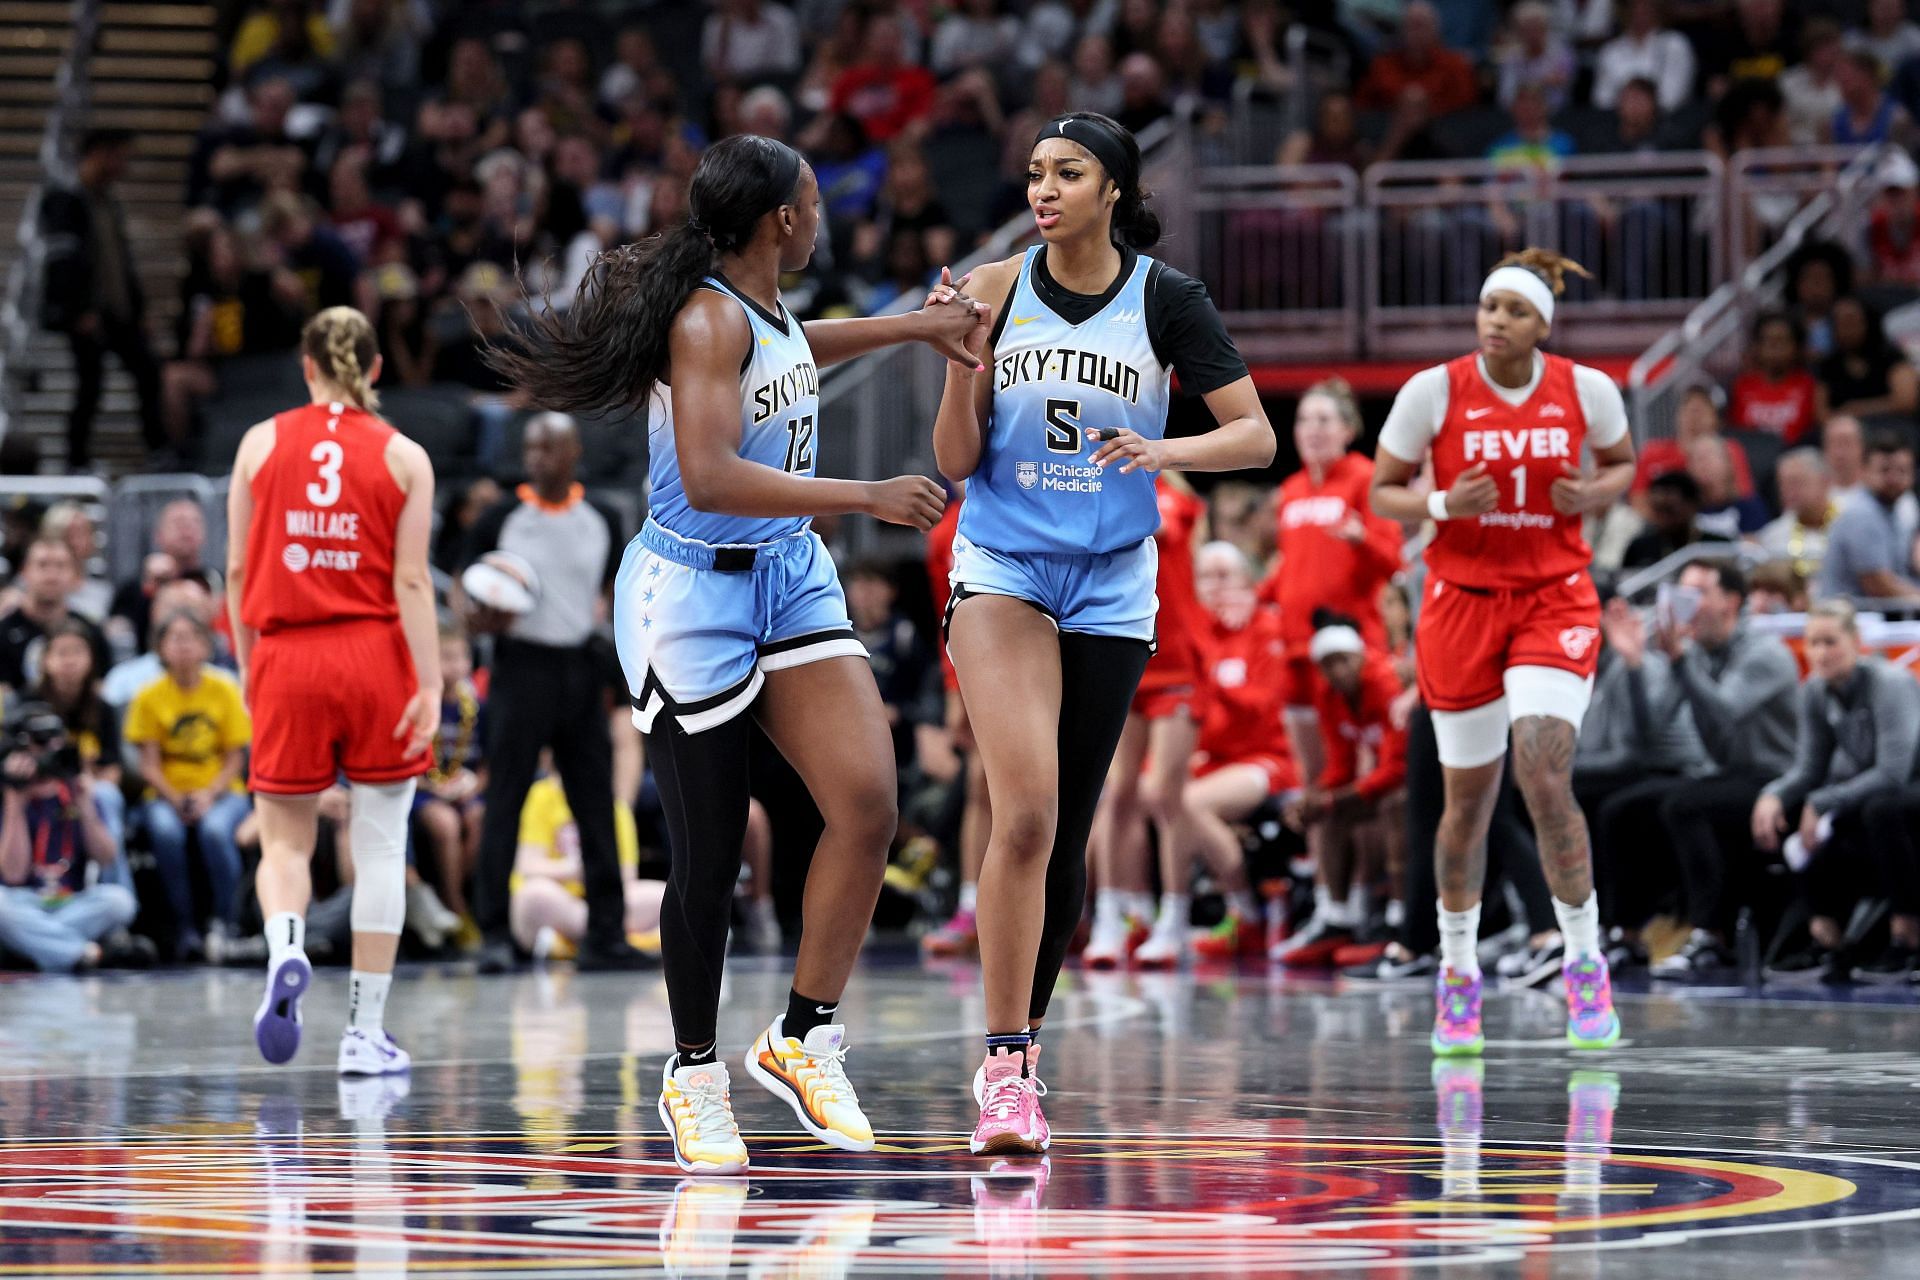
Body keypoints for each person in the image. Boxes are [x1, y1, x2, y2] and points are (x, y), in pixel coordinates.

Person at [493, 134, 983, 1175]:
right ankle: (695, 1071)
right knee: (710, 857)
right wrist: (865, 495)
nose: (823, 214)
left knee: (866, 803)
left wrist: (919, 329)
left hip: (786, 574)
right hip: (692, 591)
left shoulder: (764, 309)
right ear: (784, 221)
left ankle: (802, 1032)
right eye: (814, 199)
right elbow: (711, 476)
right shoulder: (708, 317)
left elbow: (806, 347)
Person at [932, 111, 1273, 1152]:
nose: (1044, 189)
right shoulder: (991, 286)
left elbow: (1253, 434)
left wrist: (1164, 452)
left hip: (1115, 581)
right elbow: (954, 456)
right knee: (1023, 810)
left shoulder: (1165, 298)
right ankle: (1000, 1065)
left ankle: (1027, 1050)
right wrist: (960, 358)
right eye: (1035, 173)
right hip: (1005, 564)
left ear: (1113, 189)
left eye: (1068, 173)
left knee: (1067, 825)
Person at [1369, 249, 1636, 1057]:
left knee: (1544, 774)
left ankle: (1585, 961)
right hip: (1460, 605)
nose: (1495, 320)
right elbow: (1382, 491)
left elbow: (1623, 465)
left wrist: (1595, 492)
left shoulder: (1587, 390)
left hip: (1553, 598)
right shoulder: (1433, 391)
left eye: (1512, 311)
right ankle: (1457, 974)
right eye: (1487, 306)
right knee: (1467, 805)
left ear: (1541, 326)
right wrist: (1443, 502)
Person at [224, 306, 439, 1077]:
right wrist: (432, 680)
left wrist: (250, 663)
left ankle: (286, 947)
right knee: (380, 846)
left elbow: (239, 572)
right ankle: (364, 1034)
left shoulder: (259, 443)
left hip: (286, 652)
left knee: (283, 841)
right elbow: (412, 579)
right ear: (377, 369)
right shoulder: (405, 455)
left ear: (305, 365)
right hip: (373, 652)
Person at [457, 414, 648, 976]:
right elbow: (464, 589)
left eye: (549, 447)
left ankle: (607, 933)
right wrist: (478, 617)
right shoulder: (501, 517)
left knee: (597, 803)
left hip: (581, 666)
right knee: (507, 799)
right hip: (521, 665)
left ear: (574, 453)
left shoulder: (603, 517)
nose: (537, 456)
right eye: (532, 447)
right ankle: (493, 933)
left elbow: (616, 589)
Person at [1638, 561, 1800, 979]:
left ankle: (1710, 932)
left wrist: (1681, 663)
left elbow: (1725, 711)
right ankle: (1623, 931)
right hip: (1732, 775)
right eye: (1680, 595)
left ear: (1730, 602)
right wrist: (1639, 664)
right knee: (1626, 808)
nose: (1685, 607)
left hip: (1779, 778)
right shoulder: (1699, 654)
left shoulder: (1763, 653)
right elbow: (1652, 725)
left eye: (1696, 595)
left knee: (1685, 806)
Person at [1263, 379, 1402, 837]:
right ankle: (1328, 897)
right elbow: (1292, 569)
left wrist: (1365, 538)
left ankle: (1363, 894)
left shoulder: (1365, 477)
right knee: (1314, 781)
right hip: (1297, 652)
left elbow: (1394, 560)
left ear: (1348, 429)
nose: (1311, 430)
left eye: (1324, 420)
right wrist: (1255, 598)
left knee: (1361, 783)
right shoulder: (1291, 489)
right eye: (1304, 420)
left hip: (1352, 653)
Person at [1756, 600, 1920, 983]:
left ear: (1856, 642)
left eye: (1831, 642)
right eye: (1813, 643)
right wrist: (1774, 794)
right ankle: (1824, 934)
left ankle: (1907, 934)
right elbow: (1809, 768)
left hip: (1909, 784)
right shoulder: (1814, 691)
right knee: (1791, 815)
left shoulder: (1890, 683)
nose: (1821, 653)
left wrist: (1823, 800)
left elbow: (1894, 772)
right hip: (1876, 791)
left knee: (1879, 810)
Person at [1085, 473, 1210, 969]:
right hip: (1129, 651)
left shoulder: (1170, 493)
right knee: (1117, 795)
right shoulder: (1093, 486)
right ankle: (1112, 917)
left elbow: (1160, 525)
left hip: (1180, 663)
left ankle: (1173, 918)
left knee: (1164, 793)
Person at [1184, 540, 1294, 961]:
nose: (1215, 587)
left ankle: (1245, 912)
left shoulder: (1266, 627)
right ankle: (1148, 914)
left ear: (1249, 583)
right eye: (1206, 578)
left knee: (1187, 803)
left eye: (1224, 576)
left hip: (1267, 759)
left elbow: (1262, 707)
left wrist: (1210, 675)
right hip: (1213, 760)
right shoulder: (1198, 632)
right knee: (1138, 795)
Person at [1280, 614, 1410, 968]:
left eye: (1343, 661)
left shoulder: (1384, 683)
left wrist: (1336, 796)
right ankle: (1337, 915)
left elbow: (1400, 766)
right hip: (1388, 780)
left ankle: (1400, 919)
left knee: (1394, 806)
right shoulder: (1329, 694)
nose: (1337, 672)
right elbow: (1341, 761)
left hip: (1416, 781)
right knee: (1328, 813)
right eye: (1327, 665)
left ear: (1360, 657)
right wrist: (1316, 795)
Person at [125, 610, 253, 961]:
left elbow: (235, 759)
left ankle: (226, 924)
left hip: (223, 791)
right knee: (166, 833)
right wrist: (178, 798)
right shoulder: (148, 696)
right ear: (160, 648)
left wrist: (208, 796)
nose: (182, 646)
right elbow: (148, 764)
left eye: (190, 638)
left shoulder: (225, 688)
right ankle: (184, 928)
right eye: (174, 639)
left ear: (206, 645)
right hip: (166, 792)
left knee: (215, 831)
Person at [38, 129, 166, 469]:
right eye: (119, 156)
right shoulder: (66, 199)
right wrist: (76, 310)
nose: (123, 165)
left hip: (117, 311)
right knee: (91, 385)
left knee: (147, 371)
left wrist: (139, 310)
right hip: (85, 313)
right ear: (100, 153)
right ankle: (75, 459)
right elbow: (61, 260)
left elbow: (121, 262)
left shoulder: (108, 202)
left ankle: (159, 448)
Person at [0, 705, 140, 972]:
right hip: (21, 900)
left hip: (69, 900)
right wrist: (15, 804)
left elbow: (107, 858)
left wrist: (85, 805)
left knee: (119, 901)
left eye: (55, 744)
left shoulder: (77, 791)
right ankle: (81, 953)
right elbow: (13, 873)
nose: (47, 756)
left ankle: (36, 947)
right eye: (39, 745)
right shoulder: (8, 794)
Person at [1817, 432, 1920, 604]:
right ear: (1863, 471)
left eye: (1902, 471)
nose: (1894, 478)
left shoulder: (1897, 512)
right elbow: (1879, 585)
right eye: (1885, 470)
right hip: (1849, 620)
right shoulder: (1861, 513)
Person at [0, 539, 111, 697]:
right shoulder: (3, 632)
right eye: (42, 565)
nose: (52, 575)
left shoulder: (91, 632)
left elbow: (101, 690)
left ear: (74, 575)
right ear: (24, 572)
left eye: (60, 566)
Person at [1729, 312, 1819, 445]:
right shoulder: (1740, 386)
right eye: (1769, 341)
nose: (1775, 348)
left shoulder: (1809, 385)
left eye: (1782, 341)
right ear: (1757, 347)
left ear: (1796, 347)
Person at [1757, 449, 1840, 583]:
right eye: (1782, 484)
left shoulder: (1851, 522)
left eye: (1796, 482)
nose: (1788, 491)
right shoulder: (1773, 536)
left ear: (1824, 482)